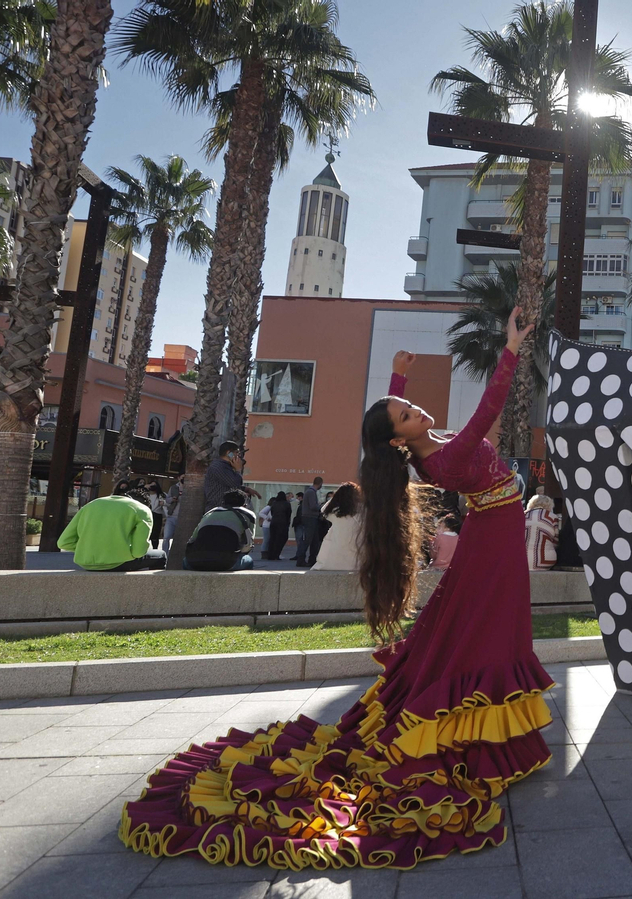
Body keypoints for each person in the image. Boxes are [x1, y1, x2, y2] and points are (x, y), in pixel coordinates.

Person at [123, 306, 549, 869]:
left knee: (476, 631)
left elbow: (386, 429)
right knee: (490, 631)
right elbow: (488, 411)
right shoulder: (446, 455)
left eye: (409, 407)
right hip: (493, 540)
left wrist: (398, 379)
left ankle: (489, 733)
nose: (416, 410)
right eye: (406, 412)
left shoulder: (426, 444)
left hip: (491, 535)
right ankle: (480, 741)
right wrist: (512, 348)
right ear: (401, 438)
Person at [59, 488, 166, 571]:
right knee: (161, 555)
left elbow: (63, 543)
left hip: (85, 562)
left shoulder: (90, 505)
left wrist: (90, 548)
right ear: (146, 504)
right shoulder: (142, 509)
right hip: (119, 562)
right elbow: (138, 553)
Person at [184, 489, 257, 571]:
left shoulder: (210, 512)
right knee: (249, 561)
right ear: (244, 504)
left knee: (185, 561)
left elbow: (192, 540)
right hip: (226, 562)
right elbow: (248, 544)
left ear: (223, 502)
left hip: (195, 561)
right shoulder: (248, 514)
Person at [312, 482, 364, 571]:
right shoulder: (361, 509)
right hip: (355, 540)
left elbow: (323, 509)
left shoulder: (334, 511)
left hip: (335, 540)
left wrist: (336, 498)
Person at [202, 441, 259, 511]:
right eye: (237, 453)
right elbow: (234, 483)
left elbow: (228, 485)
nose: (238, 456)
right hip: (218, 509)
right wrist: (238, 470)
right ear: (229, 453)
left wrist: (246, 489)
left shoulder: (227, 466)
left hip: (225, 509)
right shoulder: (218, 466)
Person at [525, 491, 559, 570]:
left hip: (520, 560)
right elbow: (556, 542)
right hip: (545, 561)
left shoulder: (523, 515)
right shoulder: (553, 517)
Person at [296, 476, 325, 567]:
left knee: (314, 540)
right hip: (310, 518)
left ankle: (312, 559)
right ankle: (301, 560)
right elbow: (313, 506)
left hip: (311, 518)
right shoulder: (311, 492)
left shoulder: (310, 491)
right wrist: (322, 508)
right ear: (320, 483)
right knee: (307, 540)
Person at [263, 492, 293, 560]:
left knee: (273, 539)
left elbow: (272, 512)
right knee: (282, 539)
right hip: (283, 523)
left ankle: (270, 555)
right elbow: (288, 514)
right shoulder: (287, 504)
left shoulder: (274, 503)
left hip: (273, 523)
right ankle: (277, 554)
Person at [161, 480, 182, 552]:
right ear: (179, 478)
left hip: (183, 517)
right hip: (172, 516)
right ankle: (164, 554)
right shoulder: (173, 488)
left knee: (179, 538)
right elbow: (167, 500)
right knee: (166, 537)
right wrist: (172, 499)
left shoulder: (191, 487)